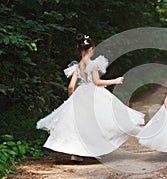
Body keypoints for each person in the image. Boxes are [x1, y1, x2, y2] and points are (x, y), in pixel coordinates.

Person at [36, 33, 145, 161]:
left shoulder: (76, 67)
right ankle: (94, 149)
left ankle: (74, 154)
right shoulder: (93, 65)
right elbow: (97, 82)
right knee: (99, 122)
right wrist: (115, 81)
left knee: (78, 125)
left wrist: (72, 98)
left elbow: (71, 87)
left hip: (80, 95)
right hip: (93, 95)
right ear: (91, 49)